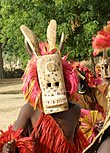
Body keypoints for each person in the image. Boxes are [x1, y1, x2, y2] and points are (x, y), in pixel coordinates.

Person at [0, 20, 89, 153]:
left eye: (58, 82)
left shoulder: (75, 110)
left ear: (67, 81)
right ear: (37, 83)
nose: (53, 87)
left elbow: (76, 143)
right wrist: (8, 147)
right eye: (47, 84)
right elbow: (11, 139)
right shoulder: (30, 110)